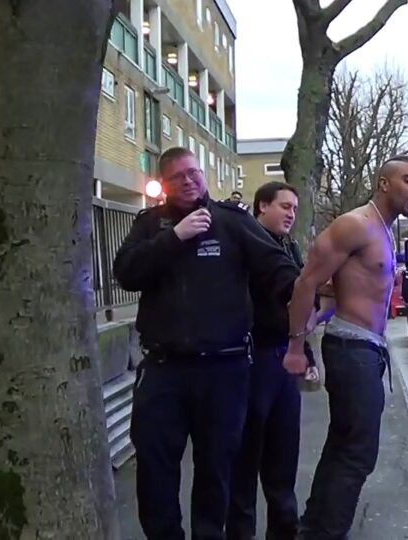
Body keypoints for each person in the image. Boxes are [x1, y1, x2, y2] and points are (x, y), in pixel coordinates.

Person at [113, 147, 300, 539]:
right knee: (155, 469)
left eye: (194, 172)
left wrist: (306, 291)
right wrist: (175, 239)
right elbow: (126, 273)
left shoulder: (231, 222)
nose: (189, 180)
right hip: (165, 369)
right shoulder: (151, 225)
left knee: (217, 471)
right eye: (178, 175)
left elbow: (276, 267)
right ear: (164, 182)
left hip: (224, 369)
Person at [282, 155, 408, 539]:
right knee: (358, 453)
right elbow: (305, 283)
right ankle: (325, 532)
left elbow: (333, 295)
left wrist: (317, 318)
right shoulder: (354, 225)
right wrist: (296, 347)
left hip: (367, 350)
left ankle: (314, 528)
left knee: (344, 445)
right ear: (383, 183)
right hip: (352, 351)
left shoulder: (385, 231)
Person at [227, 181, 329, 540]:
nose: (291, 214)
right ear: (261, 207)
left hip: (284, 358)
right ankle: (241, 531)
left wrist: (308, 353)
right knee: (245, 456)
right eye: (284, 206)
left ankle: (284, 529)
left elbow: (301, 310)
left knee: (283, 454)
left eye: (294, 209)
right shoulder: (245, 249)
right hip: (252, 360)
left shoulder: (289, 248)